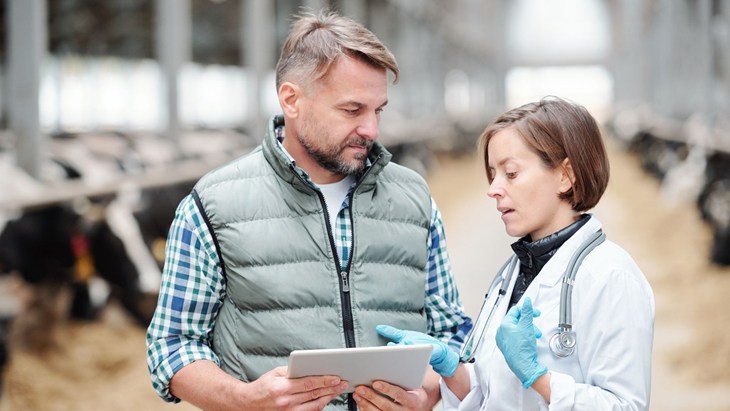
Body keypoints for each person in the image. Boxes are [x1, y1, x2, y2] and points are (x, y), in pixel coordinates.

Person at [145, 10, 471, 411]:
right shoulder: (213, 205)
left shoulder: (414, 198)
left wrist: (432, 395)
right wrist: (244, 400)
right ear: (292, 100)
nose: (371, 129)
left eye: (379, 110)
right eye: (352, 110)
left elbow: (452, 334)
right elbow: (173, 344)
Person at [377, 97, 655, 410]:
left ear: (566, 175)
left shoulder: (610, 276)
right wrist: (452, 368)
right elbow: (495, 392)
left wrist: (537, 377)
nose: (493, 188)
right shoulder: (516, 272)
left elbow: (625, 405)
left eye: (510, 173)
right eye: (492, 173)